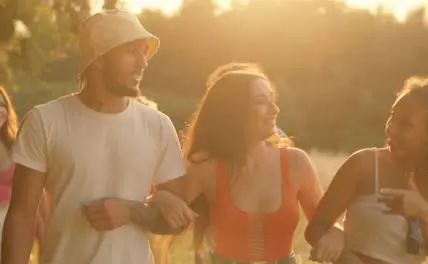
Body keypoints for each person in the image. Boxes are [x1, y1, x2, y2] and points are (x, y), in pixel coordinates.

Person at [1, 9, 195, 264]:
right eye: (131, 52)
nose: (143, 63)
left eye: (143, 52)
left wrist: (131, 211)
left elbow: (176, 220)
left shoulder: (158, 126)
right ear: (100, 59)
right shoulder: (44, 121)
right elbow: (22, 216)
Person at [111, 63, 344, 263]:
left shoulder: (296, 163)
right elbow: (165, 218)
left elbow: (324, 225)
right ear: (233, 111)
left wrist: (337, 234)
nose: (275, 110)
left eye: (273, 101)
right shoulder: (205, 167)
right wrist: (161, 197)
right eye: (261, 102)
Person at [305, 72, 428, 264]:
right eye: (392, 117)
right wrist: (338, 241)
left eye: (405, 124)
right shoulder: (363, 164)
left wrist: (426, 215)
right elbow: (315, 228)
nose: (390, 129)